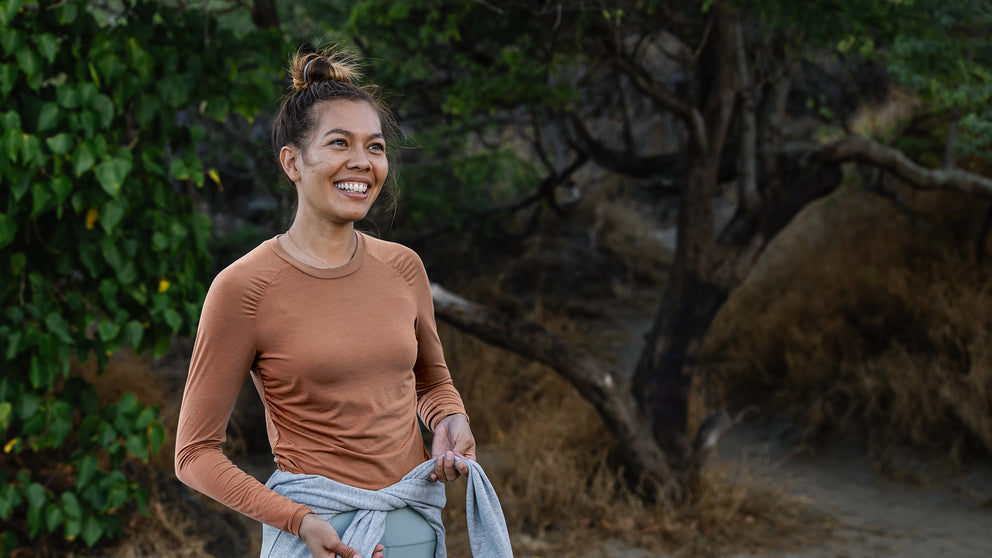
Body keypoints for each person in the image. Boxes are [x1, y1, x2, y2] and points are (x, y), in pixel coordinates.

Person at [174, 47, 479, 558]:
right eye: (339, 143)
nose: (362, 162)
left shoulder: (404, 267)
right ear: (292, 162)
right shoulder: (243, 288)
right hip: (323, 540)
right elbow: (194, 455)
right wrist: (298, 520)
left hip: (417, 528)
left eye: (375, 147)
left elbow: (432, 382)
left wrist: (451, 419)